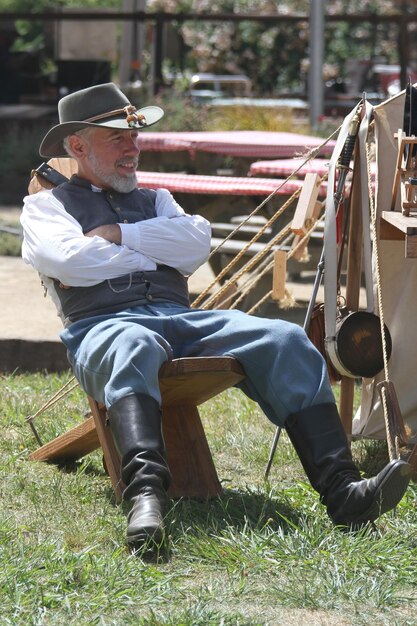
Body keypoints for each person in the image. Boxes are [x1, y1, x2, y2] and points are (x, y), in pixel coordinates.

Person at [21, 82, 411, 552]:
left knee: (284, 338)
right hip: (103, 329)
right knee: (133, 344)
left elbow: (194, 244)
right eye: (117, 138)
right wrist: (151, 249)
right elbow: (69, 263)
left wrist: (116, 235)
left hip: (181, 320)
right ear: (78, 146)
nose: (133, 147)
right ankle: (145, 497)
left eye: (134, 136)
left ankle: (343, 491)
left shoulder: (159, 198)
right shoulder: (45, 207)